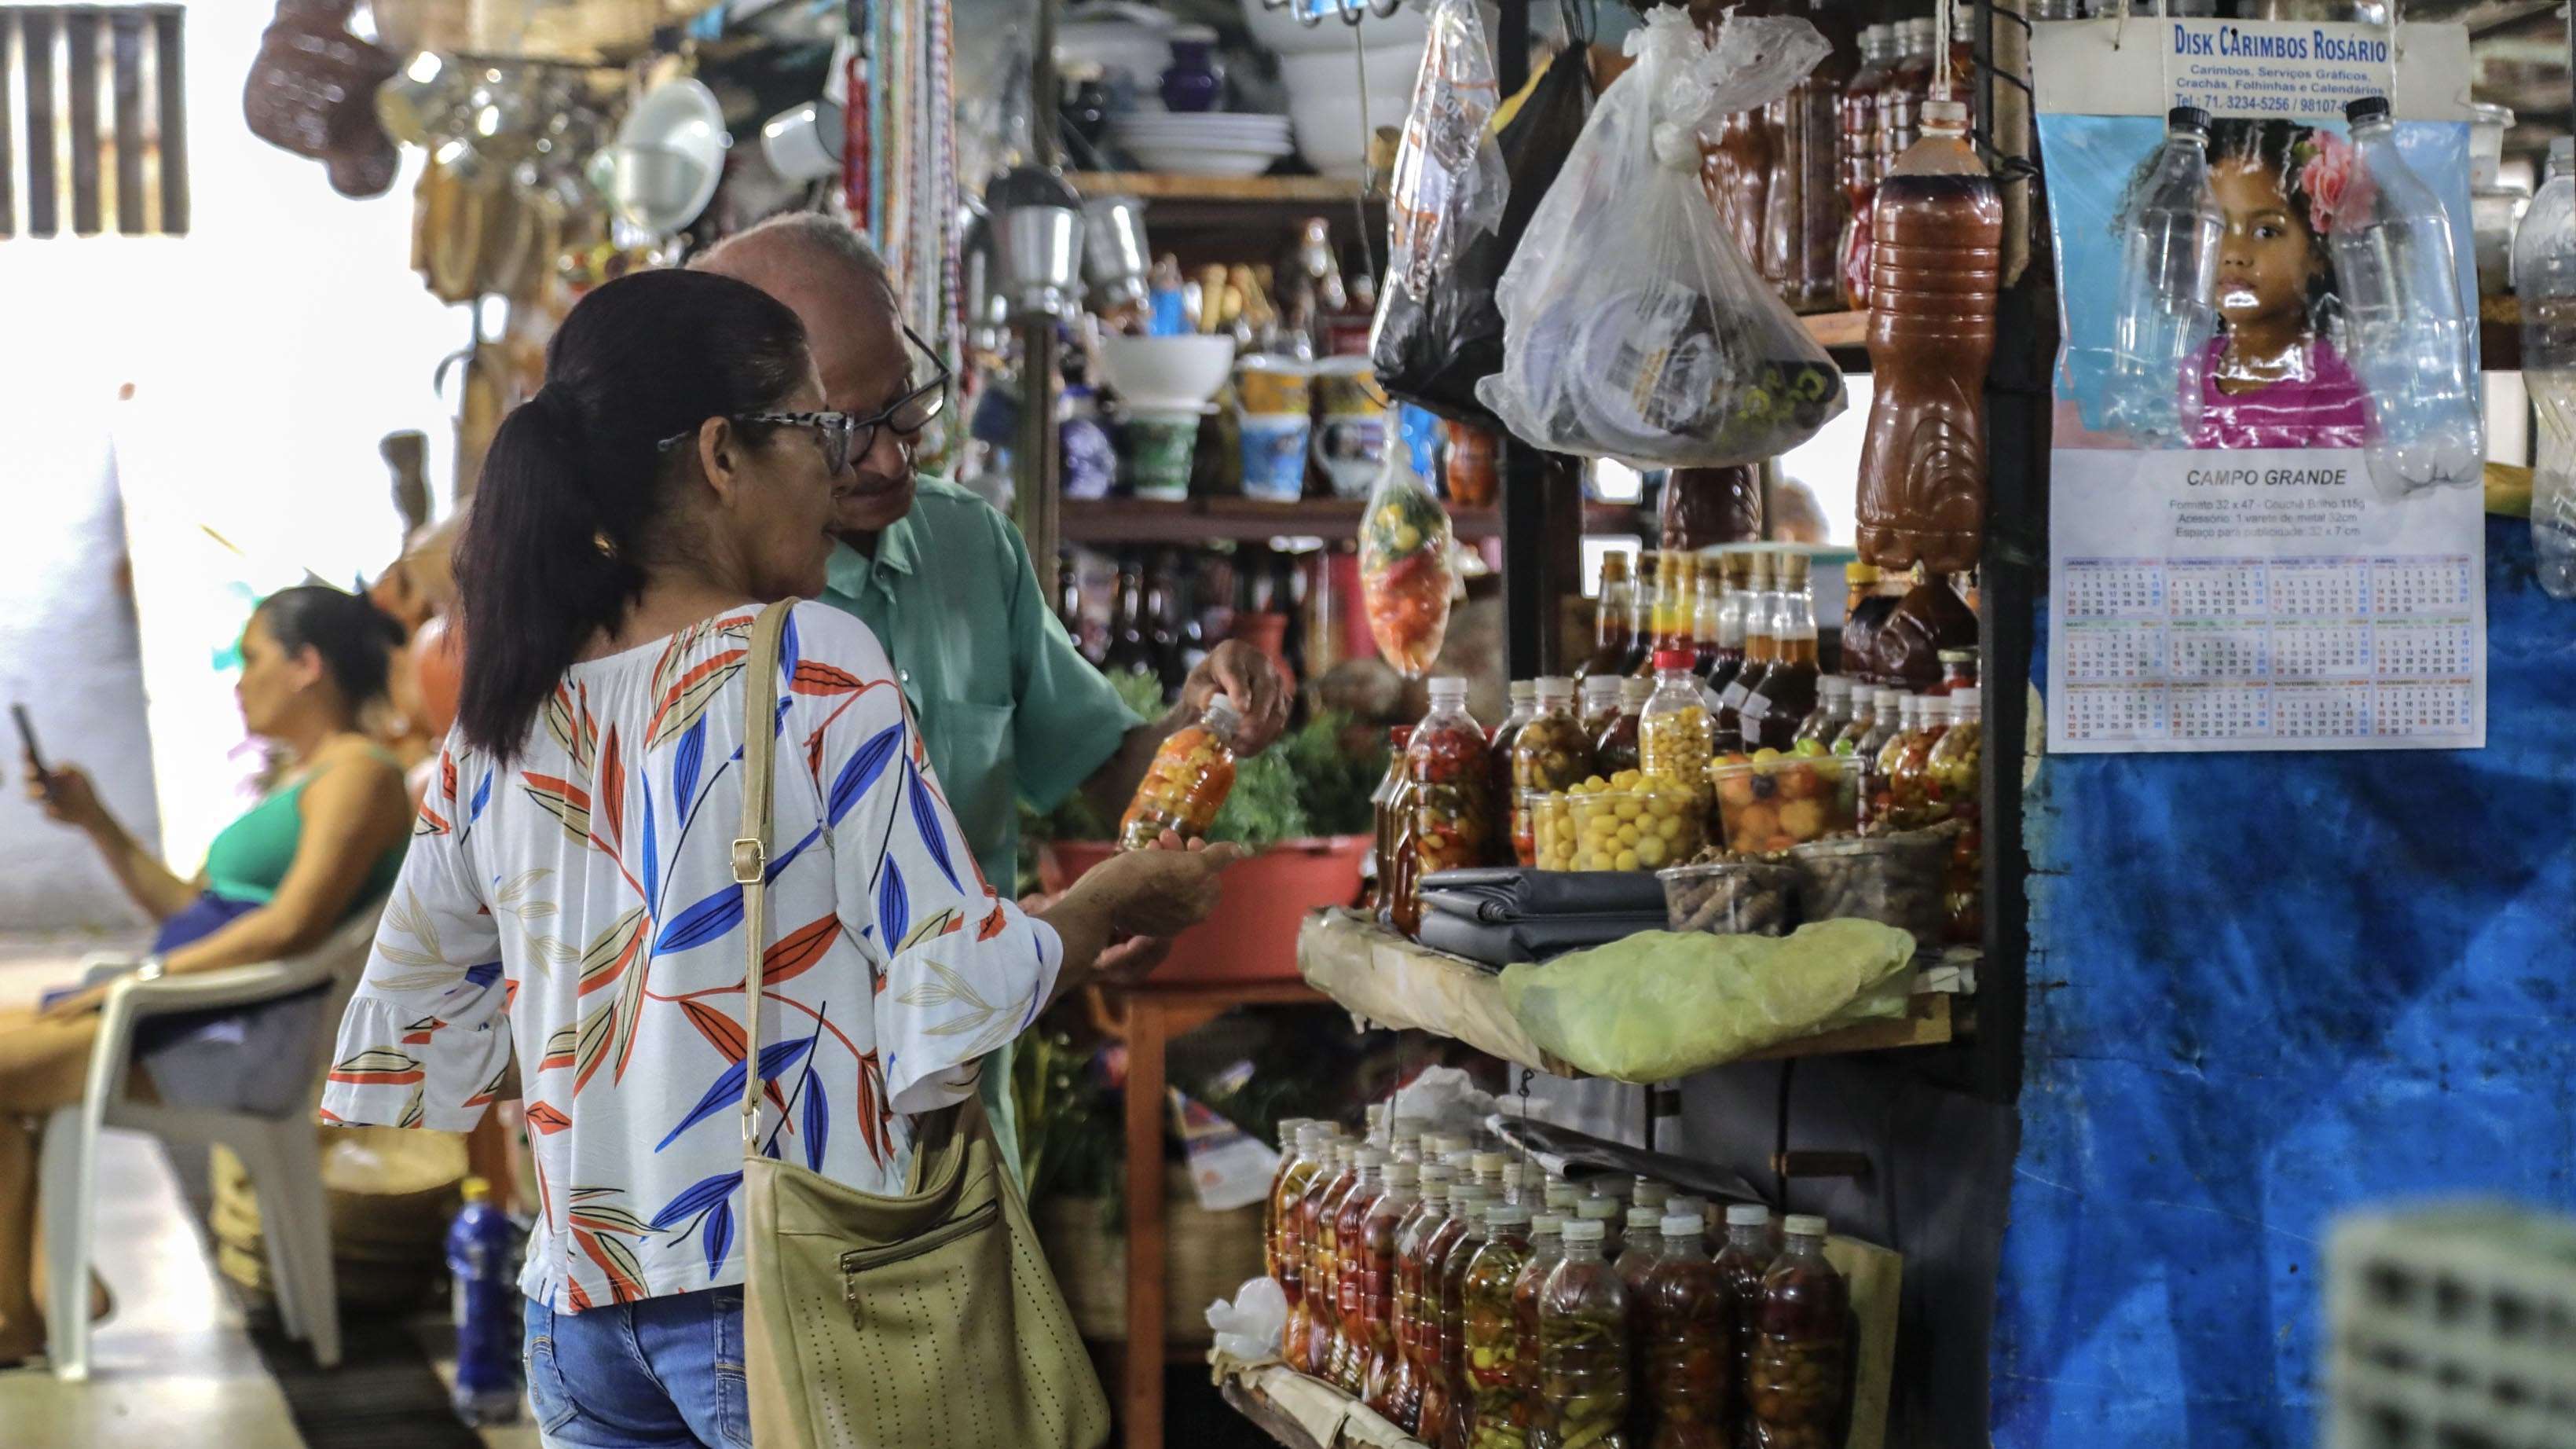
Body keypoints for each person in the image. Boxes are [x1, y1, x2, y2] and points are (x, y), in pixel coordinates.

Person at [321, 269, 1235, 1447]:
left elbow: (426, 1025)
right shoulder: (811, 658)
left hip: (575, 1306)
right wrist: (1100, 904)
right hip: (778, 1291)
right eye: (816, 429)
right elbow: (951, 983)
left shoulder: (511, 701)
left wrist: (635, 1047)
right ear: (720, 454)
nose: (844, 466)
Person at [698, 213, 1293, 1165]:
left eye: (907, 406)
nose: (894, 457)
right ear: (740, 439)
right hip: (776, 1149)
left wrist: (1202, 721)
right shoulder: (707, 604)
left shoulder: (969, 546)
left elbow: (1101, 765)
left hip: (969, 1120)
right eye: (849, 433)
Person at [2, 585, 413, 1364]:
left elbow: (292, 924)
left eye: (252, 658)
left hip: (234, 1036)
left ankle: (25, 1305)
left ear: (306, 666)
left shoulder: (360, 774)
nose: (238, 679)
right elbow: (199, 907)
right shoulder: (303, 775)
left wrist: (137, 979)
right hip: (189, 1012)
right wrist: (95, 820)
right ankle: (37, 1291)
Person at [2182, 119, 2370, 450]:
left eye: (2266, 232)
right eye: (2216, 226)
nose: (2234, 254)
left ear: (2319, 249)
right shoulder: (2193, 371)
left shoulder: (2335, 387)